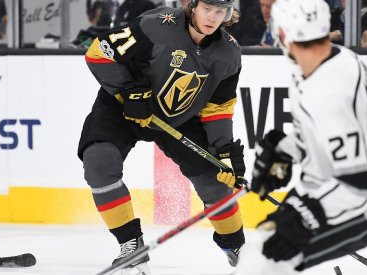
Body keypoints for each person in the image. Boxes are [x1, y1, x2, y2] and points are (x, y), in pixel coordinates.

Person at [235, 0, 367, 274]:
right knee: (260, 250)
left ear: (283, 34)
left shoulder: (331, 91)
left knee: (265, 258)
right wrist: (284, 150)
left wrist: (305, 217)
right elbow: (325, 134)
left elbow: (358, 184)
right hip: (329, 188)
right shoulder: (331, 59)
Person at [79, 0, 246, 273]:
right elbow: (99, 52)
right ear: (192, 6)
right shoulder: (156, 25)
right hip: (123, 107)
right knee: (99, 162)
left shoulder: (229, 53)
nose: (213, 18)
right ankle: (131, 246)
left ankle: (237, 247)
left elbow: (218, 109)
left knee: (215, 184)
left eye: (221, 12)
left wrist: (223, 150)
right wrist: (130, 90)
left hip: (178, 119)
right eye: (207, 9)